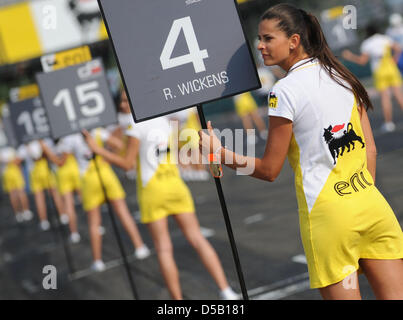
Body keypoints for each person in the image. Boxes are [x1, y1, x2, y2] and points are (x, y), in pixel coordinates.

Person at [199, 4, 403, 300]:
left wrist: (221, 154)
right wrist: (361, 193)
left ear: (293, 41)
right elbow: (369, 148)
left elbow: (269, 170)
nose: (260, 45)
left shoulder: (284, 91)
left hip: (331, 218)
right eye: (260, 38)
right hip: (372, 206)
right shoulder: (342, 74)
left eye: (268, 38)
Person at [83, 90, 239, 300]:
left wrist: (98, 150)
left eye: (126, 100)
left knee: (164, 249)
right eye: (121, 101)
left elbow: (127, 163)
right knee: (197, 238)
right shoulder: (164, 121)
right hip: (175, 185)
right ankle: (226, 290)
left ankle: (178, 300)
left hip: (152, 190)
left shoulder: (135, 126)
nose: (122, 105)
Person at [64, 128, 150, 271]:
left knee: (94, 222)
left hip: (88, 179)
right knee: (123, 213)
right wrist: (107, 156)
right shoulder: (97, 131)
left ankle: (97, 261)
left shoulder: (70, 137)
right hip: (105, 174)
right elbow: (119, 145)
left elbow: (62, 160)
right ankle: (139, 247)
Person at [342, 25, 403, 133]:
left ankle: (389, 123)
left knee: (385, 98)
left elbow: (362, 61)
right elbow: (398, 48)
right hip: (391, 68)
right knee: (399, 95)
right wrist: (395, 59)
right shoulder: (384, 38)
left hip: (379, 71)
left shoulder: (367, 44)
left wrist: (350, 56)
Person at [40, 136, 82, 243]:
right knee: (85, 201)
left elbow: (59, 162)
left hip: (62, 174)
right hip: (74, 169)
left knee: (69, 204)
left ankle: (74, 233)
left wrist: (47, 151)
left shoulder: (46, 142)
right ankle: (95, 226)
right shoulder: (65, 137)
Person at [27, 140, 67, 231]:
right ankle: (62, 215)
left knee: (40, 196)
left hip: (35, 170)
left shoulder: (29, 141)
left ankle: (44, 221)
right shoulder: (42, 140)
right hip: (44, 168)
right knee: (53, 193)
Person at [0, 146, 33, 223]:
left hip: (6, 171)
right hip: (14, 170)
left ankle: (18, 214)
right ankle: (26, 211)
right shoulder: (11, 145)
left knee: (13, 194)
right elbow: (18, 160)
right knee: (20, 192)